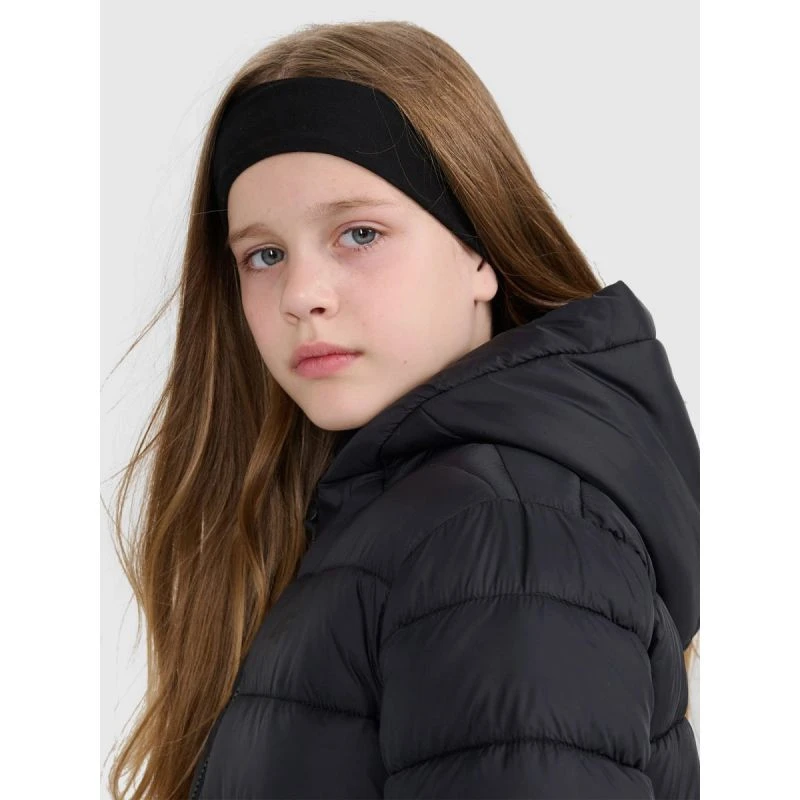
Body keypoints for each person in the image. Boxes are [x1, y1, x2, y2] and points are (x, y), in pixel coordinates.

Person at [106, 19, 700, 800]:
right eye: (265, 254)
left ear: (480, 249)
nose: (300, 295)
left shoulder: (502, 538)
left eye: (359, 233)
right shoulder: (400, 514)